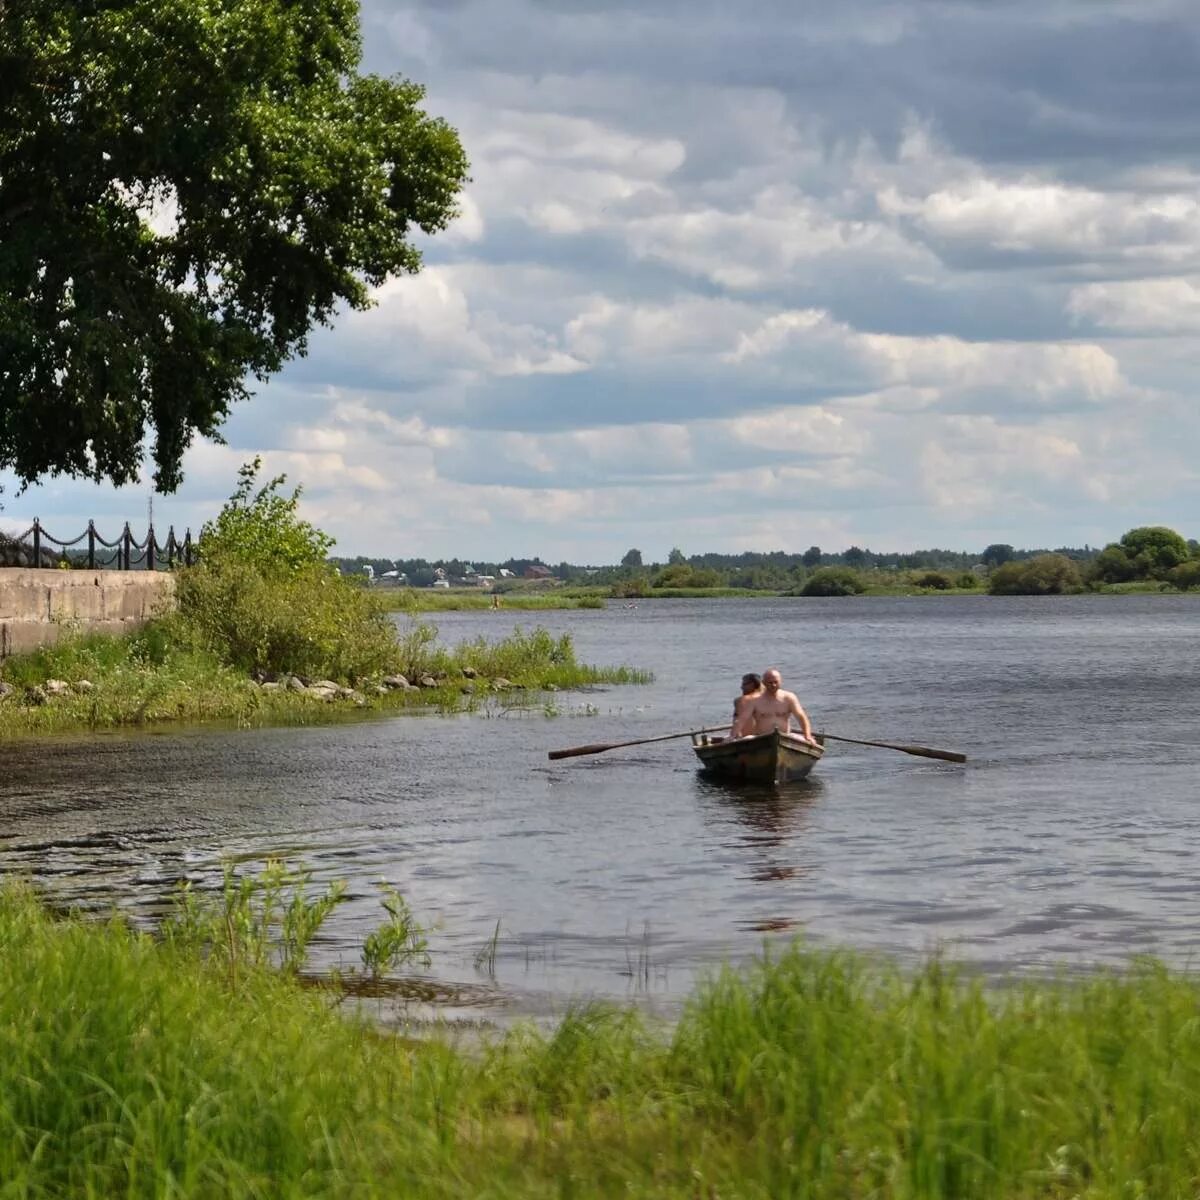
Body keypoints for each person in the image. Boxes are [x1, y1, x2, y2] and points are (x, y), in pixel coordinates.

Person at [744, 668, 817, 744]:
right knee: (745, 740)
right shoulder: (754, 700)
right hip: (761, 738)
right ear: (763, 683)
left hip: (785, 737)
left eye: (776, 682)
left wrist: (807, 736)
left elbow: (801, 717)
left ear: (780, 681)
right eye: (770, 682)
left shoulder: (789, 697)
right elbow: (743, 720)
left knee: (809, 742)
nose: (773, 685)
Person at [729, 672, 763, 738]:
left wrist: (734, 737)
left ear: (752, 685)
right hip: (764, 735)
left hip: (747, 738)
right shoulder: (768, 698)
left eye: (744, 684)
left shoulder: (741, 700)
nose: (741, 687)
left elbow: (736, 721)